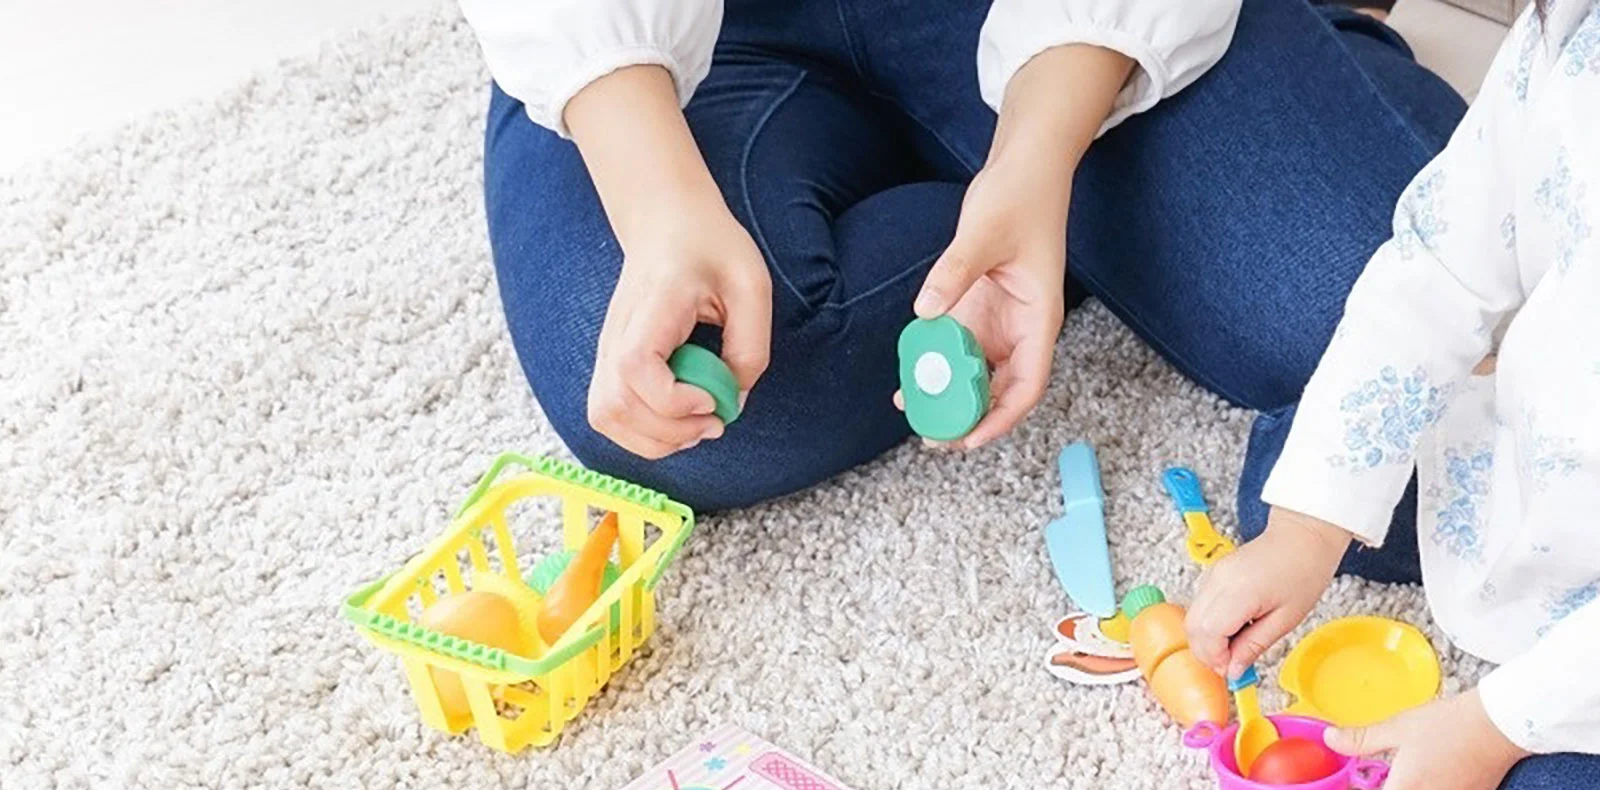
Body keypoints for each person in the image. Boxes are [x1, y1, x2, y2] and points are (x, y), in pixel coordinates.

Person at [461, 0, 1463, 514]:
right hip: (707, 38)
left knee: (1415, 332)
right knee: (692, 398)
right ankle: (1075, 219)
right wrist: (662, 206)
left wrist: (1038, 152)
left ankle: (1051, 191)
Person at [1186, 0, 1600, 790]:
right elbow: (1437, 271)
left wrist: (1492, 725)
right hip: (1548, 478)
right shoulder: (1568, 39)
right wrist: (1309, 528)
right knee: (1284, 490)